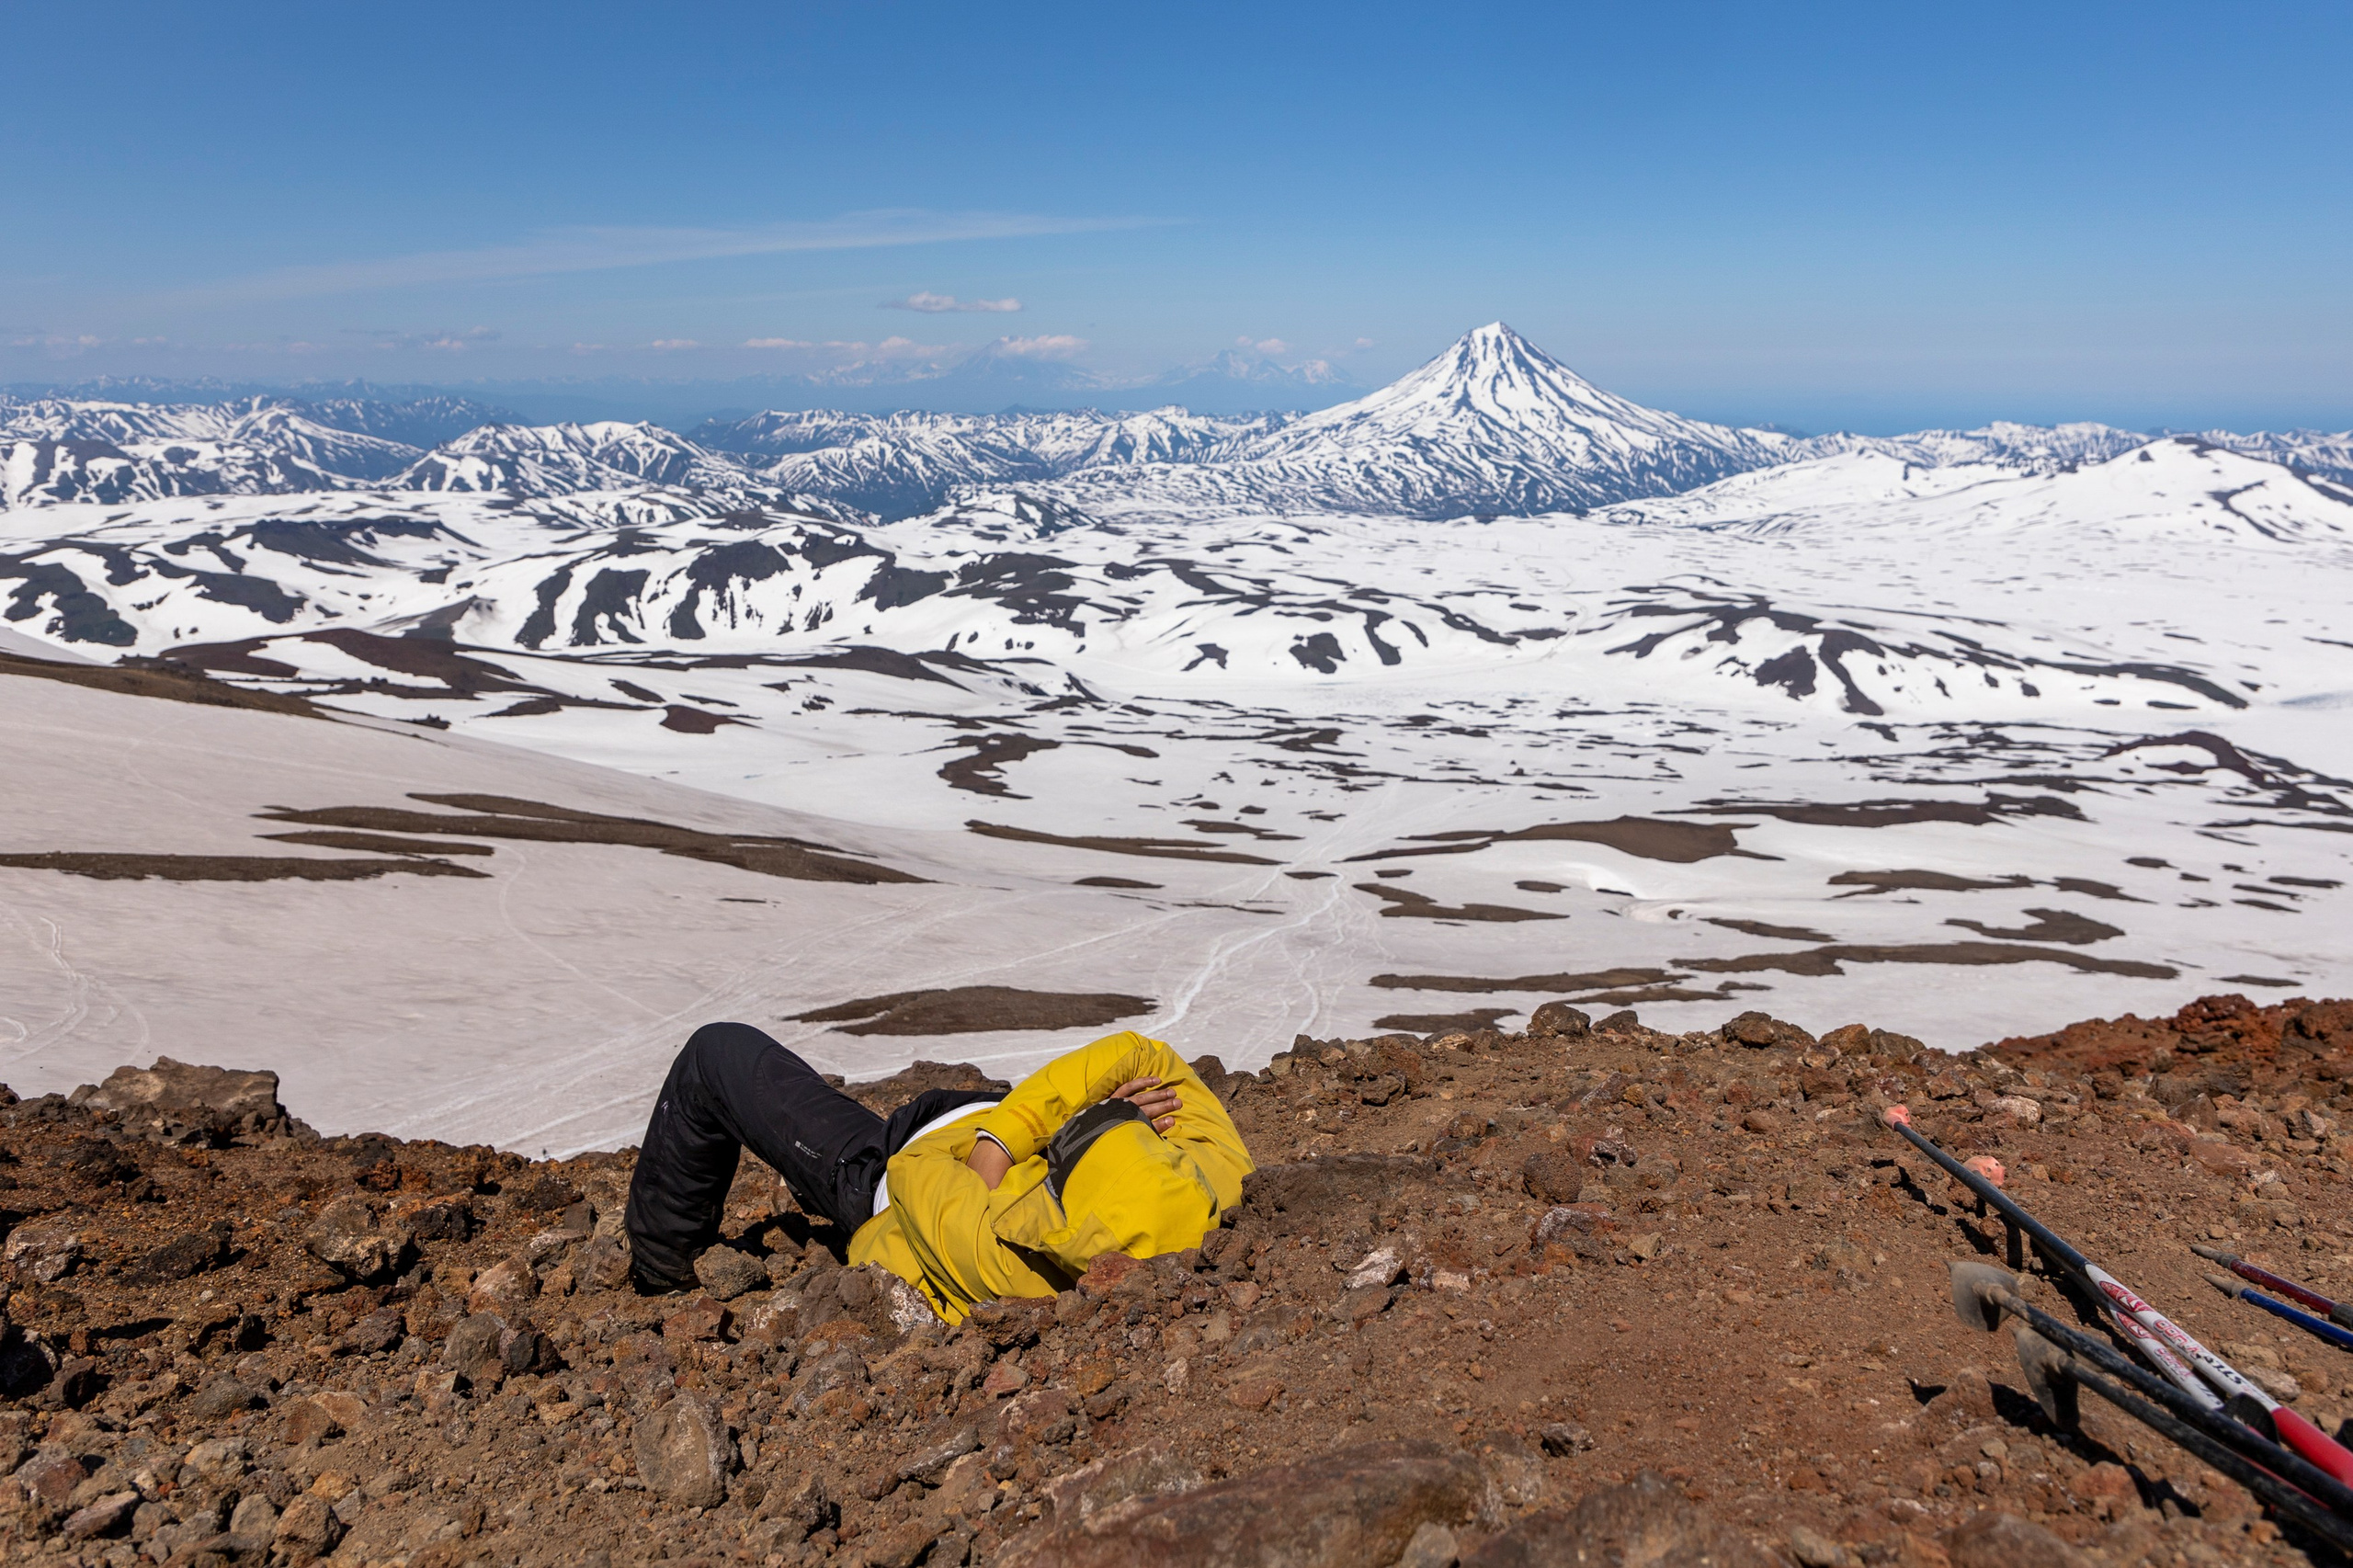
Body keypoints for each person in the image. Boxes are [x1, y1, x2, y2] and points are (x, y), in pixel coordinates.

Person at [623, 1020, 1254, 1323]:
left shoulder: (1009, 1260)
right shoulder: (1216, 1176)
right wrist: (1013, 1135)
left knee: (715, 1054)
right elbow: (1142, 1053)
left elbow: (907, 1184)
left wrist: (1025, 1134)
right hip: (976, 1117)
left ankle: (661, 1269)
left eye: (1073, 1155)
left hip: (879, 1169)